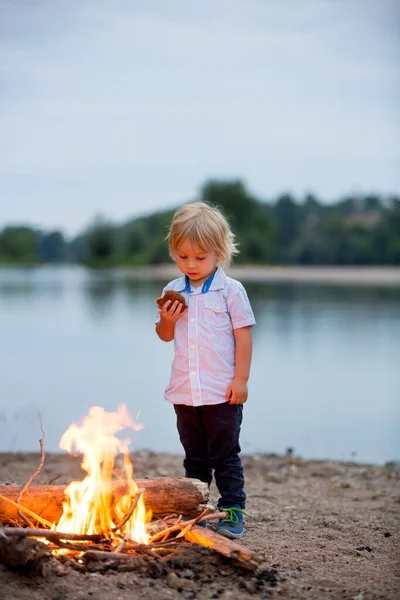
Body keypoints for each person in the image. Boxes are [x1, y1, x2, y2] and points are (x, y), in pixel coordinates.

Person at [155, 202, 256, 538]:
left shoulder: (231, 291)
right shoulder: (173, 290)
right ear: (174, 253)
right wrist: (167, 321)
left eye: (199, 257)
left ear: (219, 253)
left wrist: (241, 379)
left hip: (221, 392)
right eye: (183, 257)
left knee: (225, 455)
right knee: (194, 458)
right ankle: (194, 509)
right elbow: (164, 335)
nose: (191, 264)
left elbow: (243, 337)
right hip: (185, 392)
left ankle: (233, 512)